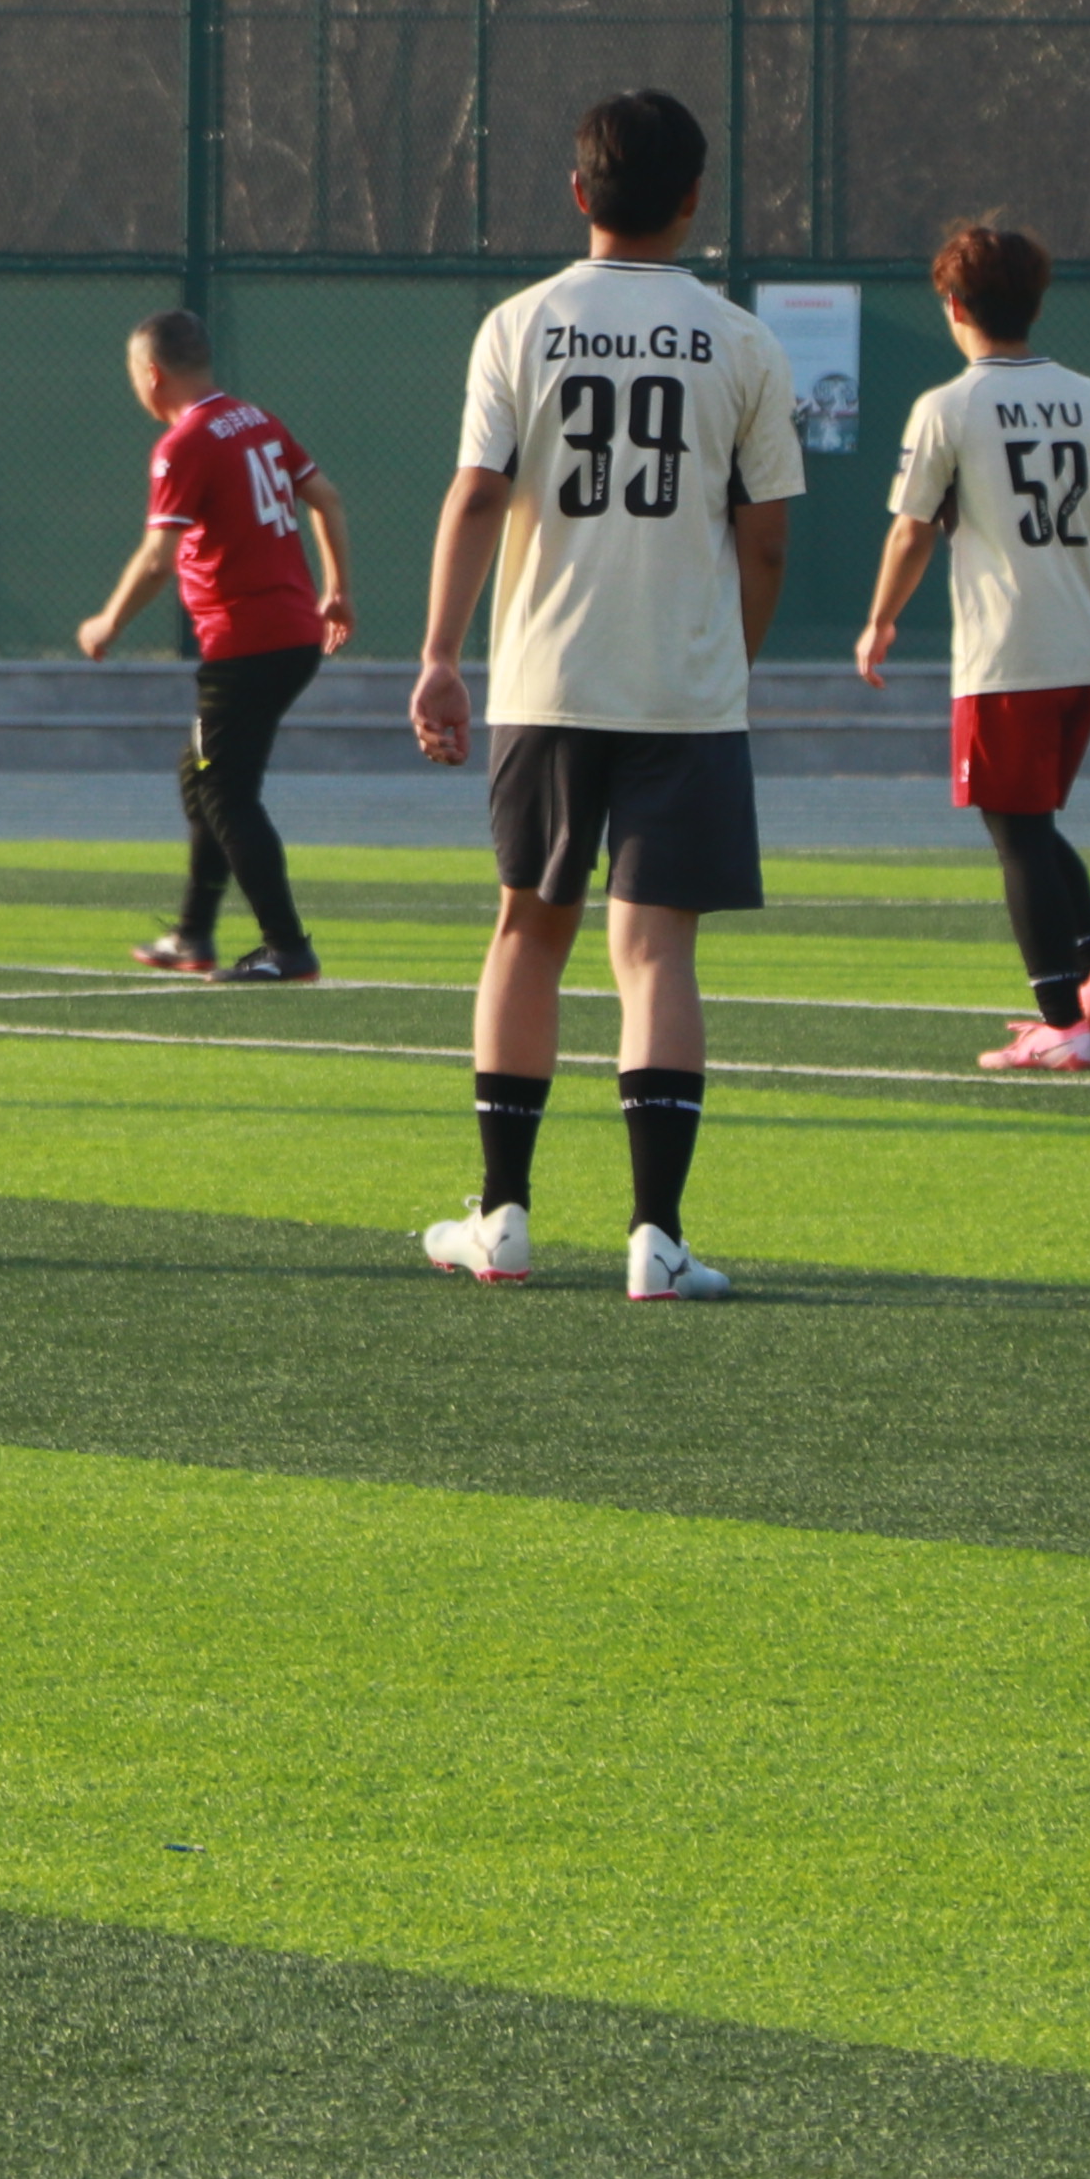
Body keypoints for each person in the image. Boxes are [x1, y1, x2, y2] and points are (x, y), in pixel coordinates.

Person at [406, 89, 800, 1304]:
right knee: (657, 952)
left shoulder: (519, 323)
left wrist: (440, 652)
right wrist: (728, 655)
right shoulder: (741, 340)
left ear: (578, 192)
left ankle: (502, 1217)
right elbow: (766, 535)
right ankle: (656, 1237)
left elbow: (478, 493)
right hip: (683, 688)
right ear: (693, 200)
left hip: (549, 680)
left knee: (528, 931)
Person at [860, 220, 1090, 1071]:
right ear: (1036, 304)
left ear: (953, 306)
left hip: (1006, 655)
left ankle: (1062, 1019)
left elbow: (912, 530)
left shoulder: (949, 406)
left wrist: (881, 618)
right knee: (1031, 825)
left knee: (1015, 835)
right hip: (1084, 652)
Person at [75, 307, 356, 984]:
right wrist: (338, 590)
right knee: (202, 775)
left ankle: (287, 947)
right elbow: (327, 497)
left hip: (246, 645)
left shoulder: (184, 444)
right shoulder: (255, 420)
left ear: (151, 374)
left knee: (224, 791)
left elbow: (157, 559)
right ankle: (193, 934)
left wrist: (108, 622)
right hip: (289, 636)